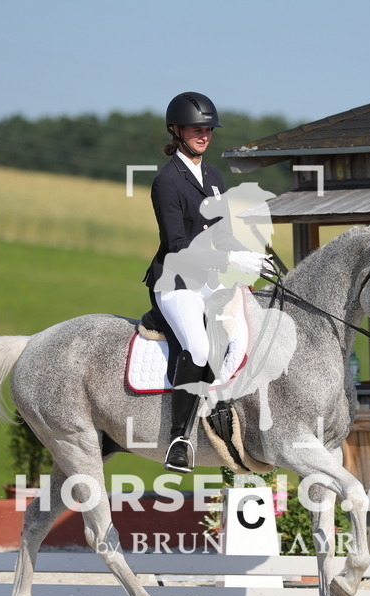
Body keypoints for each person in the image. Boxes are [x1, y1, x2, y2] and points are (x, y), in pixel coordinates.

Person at [142, 92, 269, 474]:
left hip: (210, 278)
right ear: (177, 131)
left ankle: (224, 418)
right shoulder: (166, 182)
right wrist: (231, 259)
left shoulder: (212, 176)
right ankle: (179, 439)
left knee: (243, 333)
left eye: (209, 129)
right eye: (197, 129)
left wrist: (254, 255)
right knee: (197, 346)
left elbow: (223, 233)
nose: (204, 135)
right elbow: (178, 245)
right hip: (176, 281)